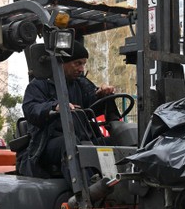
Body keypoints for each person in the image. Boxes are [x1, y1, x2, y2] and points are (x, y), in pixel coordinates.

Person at [19, 41, 115, 186]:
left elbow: (92, 102)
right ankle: (87, 192)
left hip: (81, 137)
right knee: (69, 144)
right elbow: (31, 109)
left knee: (112, 142)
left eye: (84, 64)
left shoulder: (80, 83)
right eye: (77, 63)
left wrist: (101, 94)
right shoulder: (39, 85)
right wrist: (55, 106)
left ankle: (118, 184)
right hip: (47, 143)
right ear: (61, 63)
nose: (82, 69)